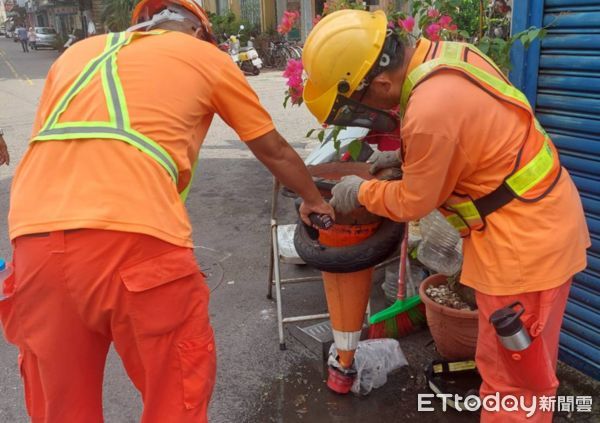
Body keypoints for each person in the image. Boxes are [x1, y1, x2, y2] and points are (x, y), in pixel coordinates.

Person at [0, 0, 333, 421]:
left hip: (36, 243)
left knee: (61, 407)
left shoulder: (75, 55)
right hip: (138, 241)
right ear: (199, 32)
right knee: (176, 397)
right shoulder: (205, 57)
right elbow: (275, 150)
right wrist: (314, 200)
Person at [301, 10, 590, 423]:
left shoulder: (430, 110)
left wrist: (360, 189)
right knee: (503, 368)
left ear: (381, 82)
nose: (364, 112)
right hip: (527, 227)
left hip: (525, 251)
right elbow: (470, 139)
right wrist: (402, 157)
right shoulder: (448, 56)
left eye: (359, 101)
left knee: (517, 385)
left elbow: (413, 201)